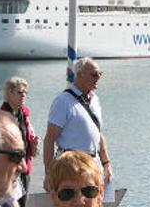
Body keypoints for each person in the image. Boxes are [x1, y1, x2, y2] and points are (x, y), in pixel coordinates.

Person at [43, 57, 112, 189]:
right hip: (71, 166)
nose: (98, 78)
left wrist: (106, 163)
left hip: (93, 164)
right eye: (94, 74)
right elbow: (49, 139)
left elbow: (98, 133)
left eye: (100, 74)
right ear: (79, 75)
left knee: (94, 206)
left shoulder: (95, 100)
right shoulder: (63, 101)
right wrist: (48, 174)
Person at [1, 76, 38, 207]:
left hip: (24, 168)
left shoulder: (23, 113)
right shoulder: (3, 116)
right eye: (20, 92)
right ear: (9, 93)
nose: (24, 95)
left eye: (25, 93)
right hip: (10, 171)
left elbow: (28, 137)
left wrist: (33, 143)